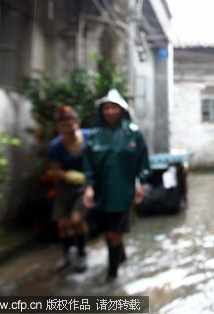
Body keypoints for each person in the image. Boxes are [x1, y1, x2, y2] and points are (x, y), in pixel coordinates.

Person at [82, 89, 149, 282]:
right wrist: (89, 187)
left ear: (122, 110)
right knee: (105, 230)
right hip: (101, 191)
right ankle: (120, 256)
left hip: (123, 190)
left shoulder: (133, 134)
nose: (110, 111)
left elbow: (143, 161)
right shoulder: (95, 135)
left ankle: (112, 274)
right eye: (106, 108)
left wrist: (140, 184)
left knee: (116, 231)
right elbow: (88, 164)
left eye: (114, 107)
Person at [46, 105, 90, 273]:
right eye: (63, 126)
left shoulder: (89, 138)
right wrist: (66, 175)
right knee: (63, 223)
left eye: (70, 124)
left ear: (77, 123)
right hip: (65, 187)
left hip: (86, 186)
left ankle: (81, 253)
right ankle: (69, 256)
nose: (67, 129)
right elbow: (54, 169)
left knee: (77, 219)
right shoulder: (56, 146)